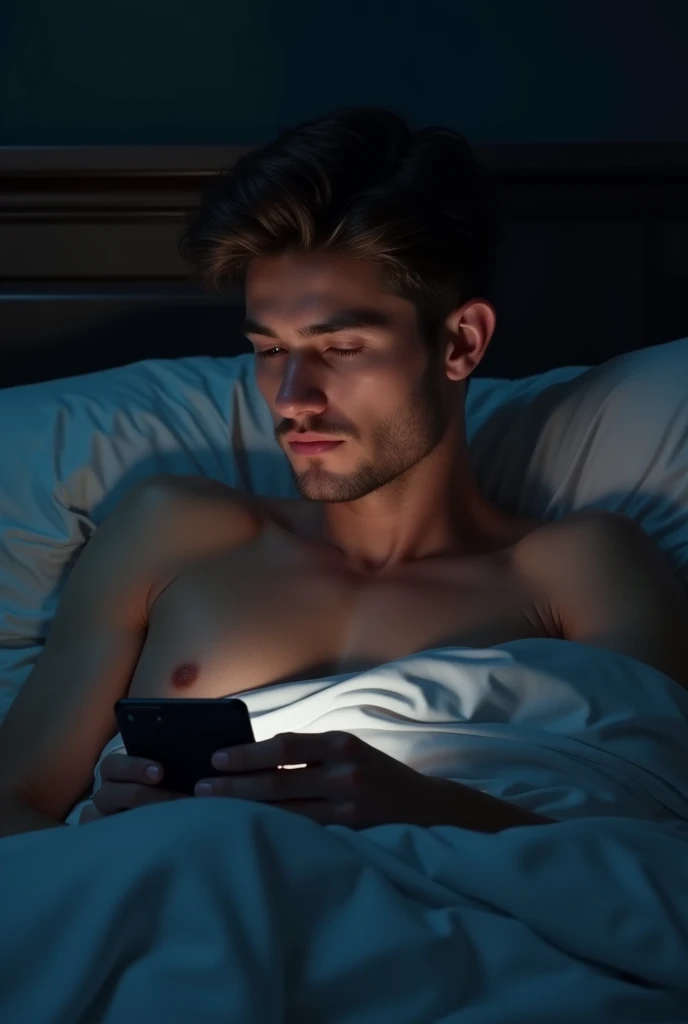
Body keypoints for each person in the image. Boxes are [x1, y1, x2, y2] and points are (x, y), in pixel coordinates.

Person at [1, 106, 687, 840]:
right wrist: (115, 829)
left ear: (460, 342)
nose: (293, 399)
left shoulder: (578, 569)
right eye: (270, 350)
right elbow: (16, 807)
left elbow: (657, 847)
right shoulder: (174, 533)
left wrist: (427, 808)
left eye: (343, 347)